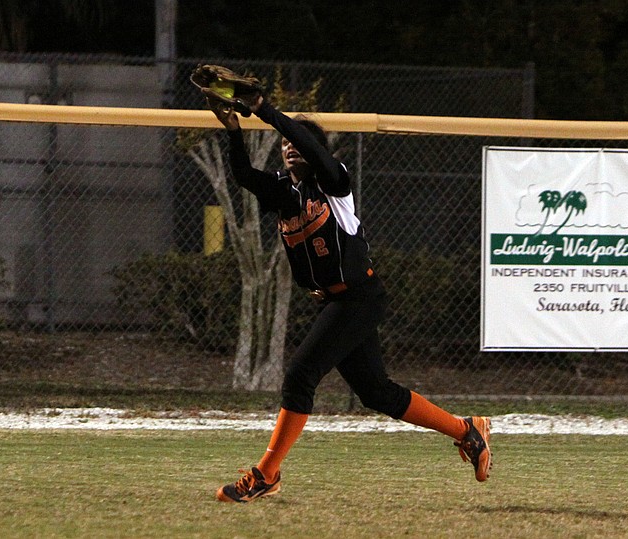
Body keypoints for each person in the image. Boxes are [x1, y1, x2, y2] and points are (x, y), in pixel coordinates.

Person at [204, 91, 491, 504]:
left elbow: (309, 147)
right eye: (285, 143)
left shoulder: (334, 183)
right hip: (335, 302)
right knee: (376, 392)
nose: (289, 147)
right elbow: (245, 175)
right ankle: (468, 431)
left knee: (300, 374)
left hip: (358, 298)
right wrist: (233, 130)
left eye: (296, 141)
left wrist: (265, 109)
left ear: (314, 149)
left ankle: (267, 474)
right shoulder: (286, 191)